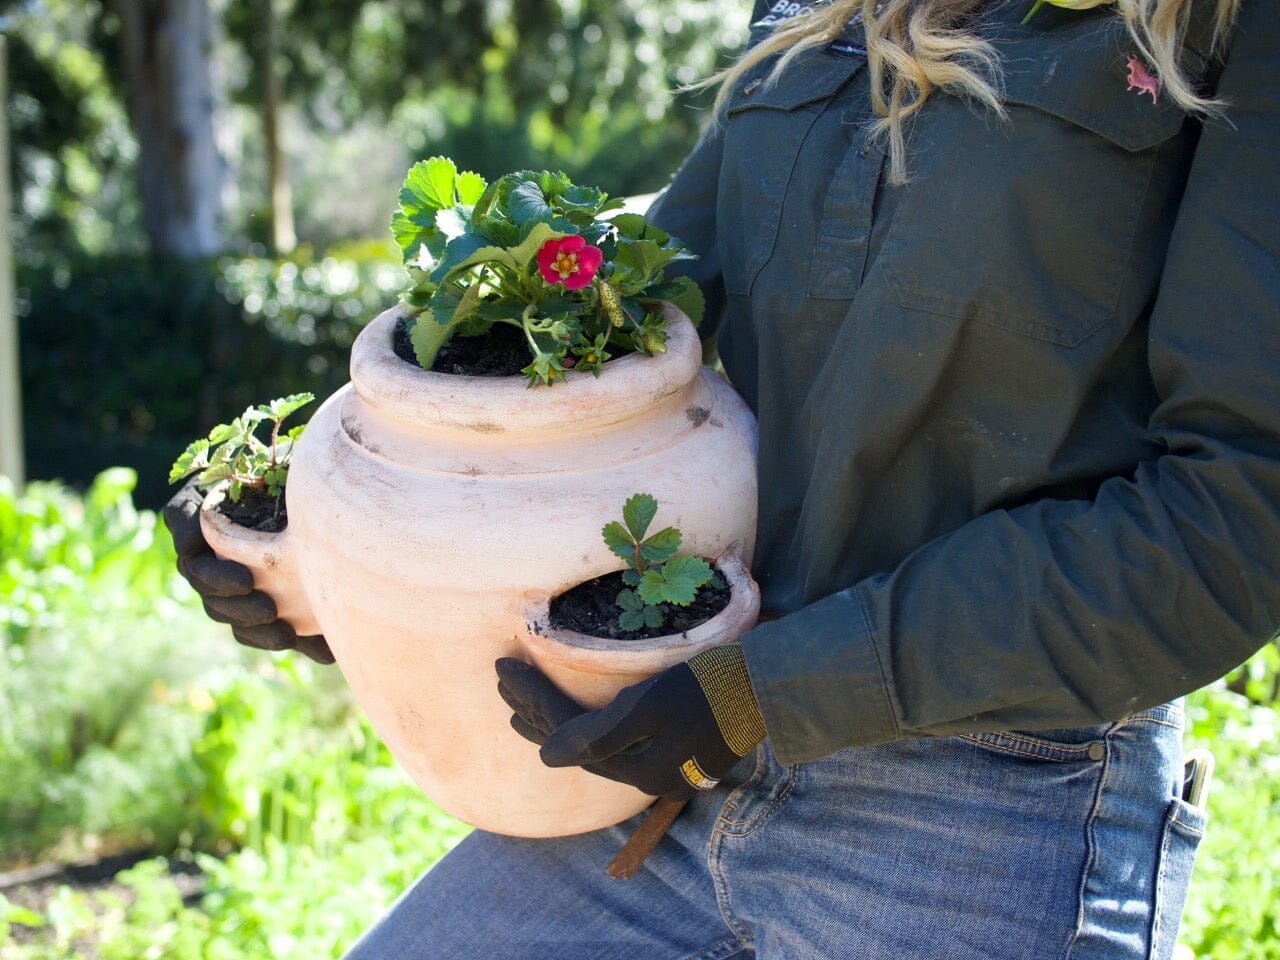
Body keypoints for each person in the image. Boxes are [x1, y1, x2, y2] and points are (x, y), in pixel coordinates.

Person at [165, 0, 1280, 955]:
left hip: (984, 798)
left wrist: (766, 692)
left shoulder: (1223, 29)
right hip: (666, 756)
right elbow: (650, 324)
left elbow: (1235, 518)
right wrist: (327, 521)